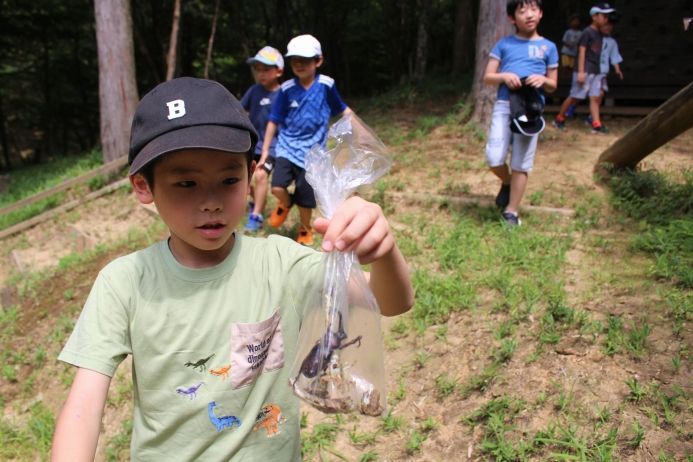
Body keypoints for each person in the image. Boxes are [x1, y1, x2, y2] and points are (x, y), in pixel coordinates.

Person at [50, 77, 413, 461]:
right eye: (186, 183)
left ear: (252, 173)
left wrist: (383, 251)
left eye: (228, 180)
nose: (210, 202)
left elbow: (390, 301)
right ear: (144, 186)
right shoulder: (123, 283)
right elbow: (83, 407)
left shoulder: (281, 264)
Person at [260, 34, 352, 246]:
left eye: (305, 60)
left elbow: (342, 110)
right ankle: (285, 204)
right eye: (295, 60)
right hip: (287, 148)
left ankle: (305, 228)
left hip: (313, 154)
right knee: (277, 187)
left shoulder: (327, 85)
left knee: (305, 198)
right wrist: (266, 151)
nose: (299, 64)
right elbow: (274, 121)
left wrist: (359, 131)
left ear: (318, 61)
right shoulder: (286, 89)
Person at [482, 0, 558, 226]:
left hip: (531, 110)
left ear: (541, 13)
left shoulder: (549, 47)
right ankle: (506, 182)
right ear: (512, 18)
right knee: (494, 157)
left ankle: (511, 211)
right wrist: (505, 76)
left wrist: (543, 80)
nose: (529, 14)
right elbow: (488, 77)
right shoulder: (504, 45)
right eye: (522, 10)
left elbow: (553, 84)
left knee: (521, 163)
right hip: (505, 105)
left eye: (534, 9)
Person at [553, 3, 615, 134]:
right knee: (575, 97)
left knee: (595, 97)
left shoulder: (600, 33)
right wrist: (581, 71)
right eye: (604, 16)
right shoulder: (587, 33)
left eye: (607, 16)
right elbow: (581, 51)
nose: (606, 19)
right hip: (584, 70)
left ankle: (596, 124)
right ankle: (559, 118)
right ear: (594, 17)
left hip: (595, 71)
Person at [240, 46, 284, 232]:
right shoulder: (254, 90)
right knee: (241, 178)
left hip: (274, 147)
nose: (261, 73)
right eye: (258, 69)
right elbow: (241, 111)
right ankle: (254, 201)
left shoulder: (284, 94)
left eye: (266, 69)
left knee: (260, 175)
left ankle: (256, 216)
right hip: (251, 145)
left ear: (279, 70)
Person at [560, 14, 582, 118]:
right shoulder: (568, 32)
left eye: (577, 21)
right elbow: (564, 40)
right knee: (565, 66)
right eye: (574, 21)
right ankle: (564, 79)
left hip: (575, 53)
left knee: (571, 67)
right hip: (566, 51)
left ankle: (569, 79)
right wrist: (570, 45)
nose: (575, 23)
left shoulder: (581, 33)